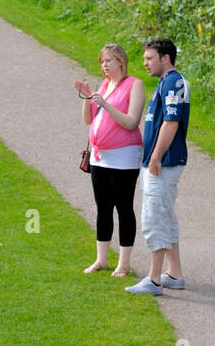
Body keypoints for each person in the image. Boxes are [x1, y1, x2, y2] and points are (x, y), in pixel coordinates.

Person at [73, 43, 145, 277]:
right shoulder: (104, 85)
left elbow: (131, 122)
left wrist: (105, 104)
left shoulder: (134, 85)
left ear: (121, 62)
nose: (104, 65)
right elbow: (88, 119)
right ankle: (101, 259)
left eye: (108, 61)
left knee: (123, 208)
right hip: (99, 157)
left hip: (123, 157)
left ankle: (124, 263)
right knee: (103, 207)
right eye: (102, 61)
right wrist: (87, 97)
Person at [127, 38, 190, 296]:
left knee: (154, 219)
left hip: (163, 164)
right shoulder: (164, 83)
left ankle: (153, 280)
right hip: (160, 162)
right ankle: (174, 274)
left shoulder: (174, 82)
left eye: (149, 58)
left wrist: (155, 157)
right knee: (165, 215)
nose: (145, 63)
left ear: (165, 58)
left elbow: (171, 123)